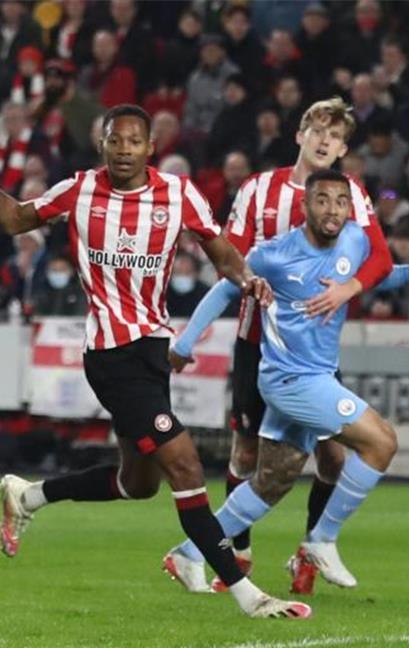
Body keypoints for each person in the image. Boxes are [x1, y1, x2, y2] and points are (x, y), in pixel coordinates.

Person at [0, 104, 311, 620]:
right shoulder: (79, 190)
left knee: (139, 484)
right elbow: (15, 218)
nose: (123, 149)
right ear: (101, 144)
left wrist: (247, 279)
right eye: (114, 140)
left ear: (151, 149)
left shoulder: (177, 194)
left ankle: (28, 496)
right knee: (186, 465)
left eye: (133, 141)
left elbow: (221, 252)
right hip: (110, 354)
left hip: (152, 351)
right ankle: (248, 594)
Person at [171, 170, 409, 591]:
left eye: (341, 201)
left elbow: (377, 276)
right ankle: (320, 540)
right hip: (291, 381)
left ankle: (188, 553)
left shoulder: (355, 239)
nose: (333, 210)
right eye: (322, 200)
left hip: (314, 375)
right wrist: (186, 341)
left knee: (272, 482)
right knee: (382, 441)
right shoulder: (274, 254)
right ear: (305, 206)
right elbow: (226, 289)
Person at [162, 96, 393, 596]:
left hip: (312, 351)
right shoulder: (258, 189)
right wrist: (245, 283)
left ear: (343, 148)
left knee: (330, 458)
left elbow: (379, 258)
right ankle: (235, 554)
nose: (325, 140)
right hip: (256, 342)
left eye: (336, 135)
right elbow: (231, 261)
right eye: (318, 130)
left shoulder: (348, 194)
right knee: (251, 457)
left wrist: (351, 288)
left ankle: (310, 550)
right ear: (300, 134)